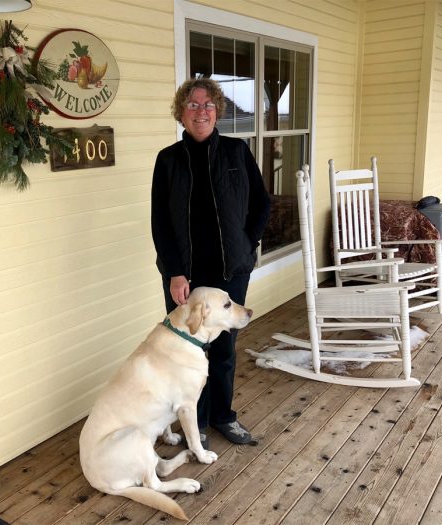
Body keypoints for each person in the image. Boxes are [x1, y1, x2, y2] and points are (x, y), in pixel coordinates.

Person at [151, 78, 270, 447]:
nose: (200, 112)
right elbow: (160, 222)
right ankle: (195, 421)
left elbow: (261, 204)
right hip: (185, 275)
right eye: (192, 105)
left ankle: (222, 416)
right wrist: (174, 271)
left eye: (207, 105)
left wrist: (247, 246)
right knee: (186, 349)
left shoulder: (237, 152)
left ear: (217, 111)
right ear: (181, 113)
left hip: (229, 270)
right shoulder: (168, 160)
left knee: (222, 349)